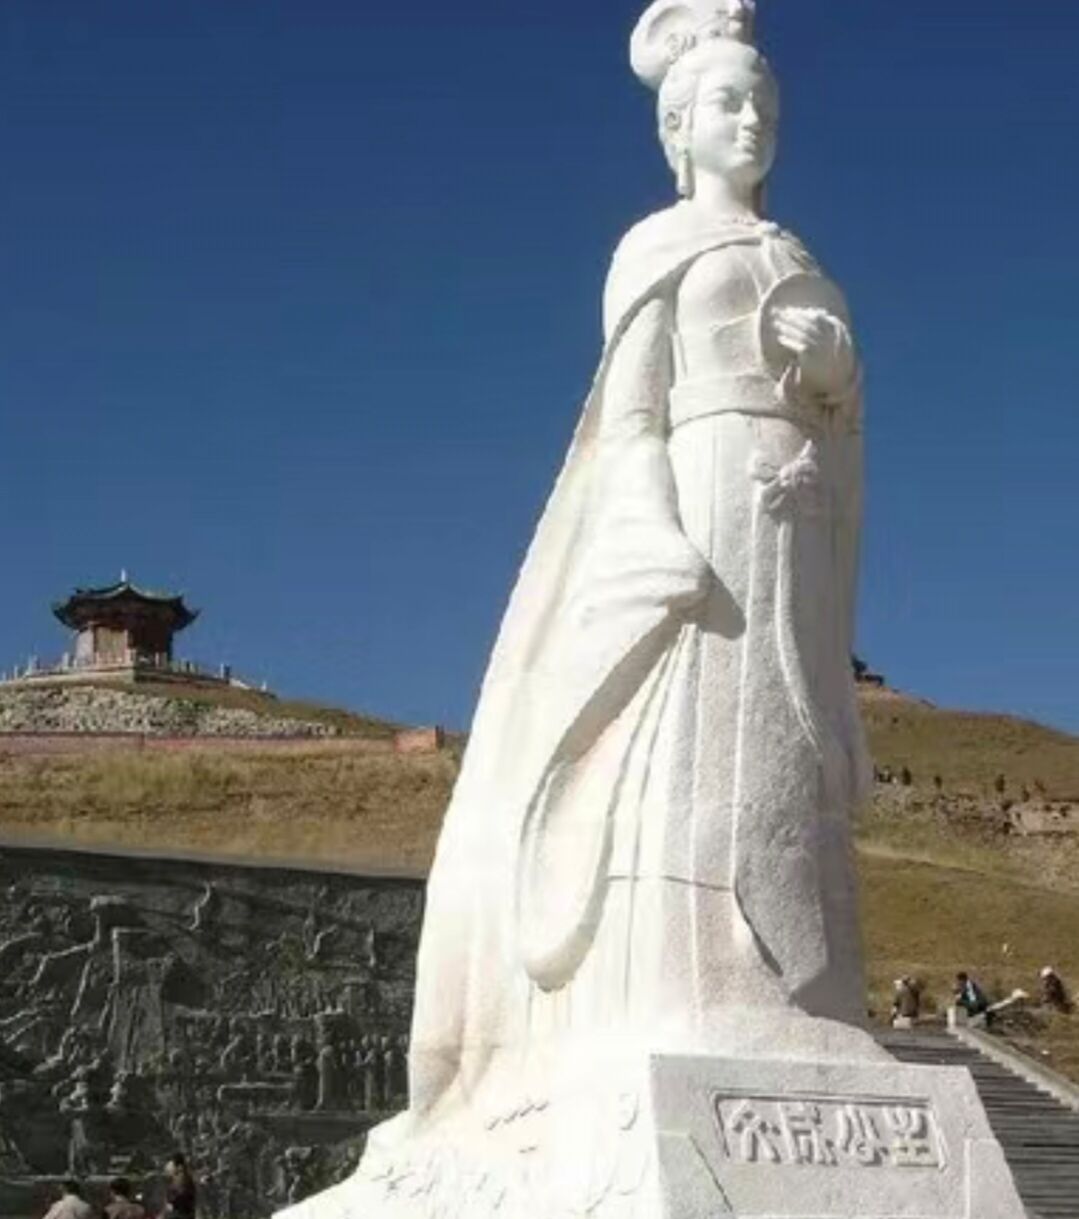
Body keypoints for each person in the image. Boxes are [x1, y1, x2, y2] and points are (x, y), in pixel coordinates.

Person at [399, 0, 871, 1126]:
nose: (750, 121)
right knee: (696, 732)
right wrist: (652, 525)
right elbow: (631, 412)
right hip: (705, 493)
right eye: (728, 103)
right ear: (677, 128)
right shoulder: (653, 247)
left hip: (796, 512)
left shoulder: (795, 256)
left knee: (790, 733)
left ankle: (796, 985)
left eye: (764, 105)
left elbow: (841, 415)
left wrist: (836, 377)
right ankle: (690, 973)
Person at [161, 1154, 196, 1219]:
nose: (167, 1168)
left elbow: (183, 1201)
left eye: (170, 1166)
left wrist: (172, 1205)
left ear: (179, 1167)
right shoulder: (172, 1182)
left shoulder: (184, 1181)